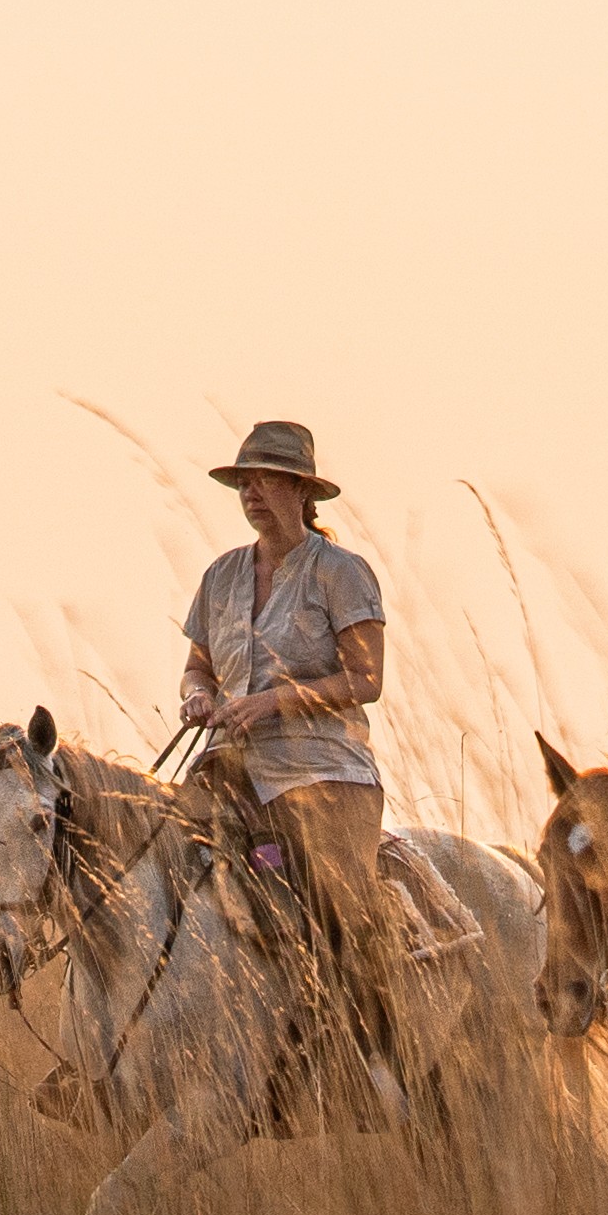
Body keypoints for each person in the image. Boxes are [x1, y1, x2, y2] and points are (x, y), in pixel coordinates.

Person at [177, 421, 405, 1113]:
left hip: (325, 769)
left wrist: (276, 702)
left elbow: (366, 680)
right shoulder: (220, 575)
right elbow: (198, 664)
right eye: (243, 479)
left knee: (336, 902)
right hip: (230, 765)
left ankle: (374, 1058)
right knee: (147, 859)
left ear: (301, 491)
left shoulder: (340, 572)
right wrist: (197, 695)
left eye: (266, 477)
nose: (251, 490)